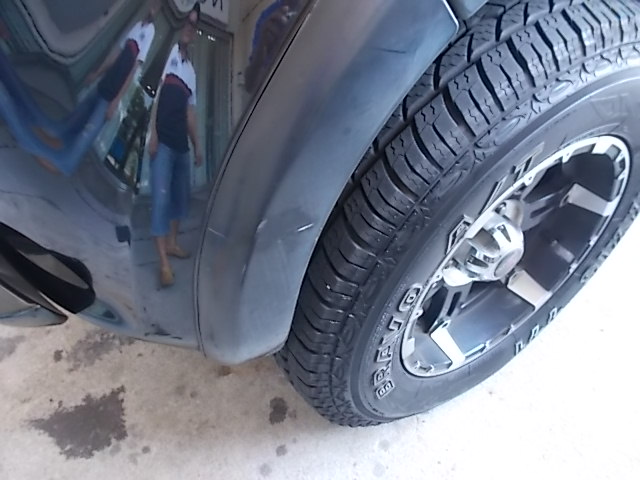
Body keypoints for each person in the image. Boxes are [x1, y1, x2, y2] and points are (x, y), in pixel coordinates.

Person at [0, 1, 159, 176]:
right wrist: (97, 74)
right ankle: (55, 140)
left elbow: (133, 68)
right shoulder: (138, 26)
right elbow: (117, 54)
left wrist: (116, 100)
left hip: (112, 92)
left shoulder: (150, 32)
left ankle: (64, 162)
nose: (152, 6)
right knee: (75, 120)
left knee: (87, 131)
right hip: (105, 84)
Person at [148, 5, 203, 288]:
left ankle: (171, 243)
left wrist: (197, 145)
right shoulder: (166, 53)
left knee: (180, 199)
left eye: (194, 25)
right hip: (163, 142)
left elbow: (190, 112)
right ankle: (164, 264)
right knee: (160, 200)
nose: (189, 28)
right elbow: (154, 95)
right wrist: (153, 133)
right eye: (186, 22)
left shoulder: (191, 71)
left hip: (181, 146)